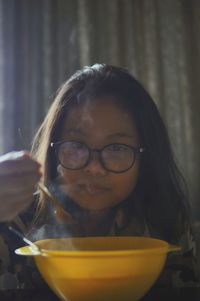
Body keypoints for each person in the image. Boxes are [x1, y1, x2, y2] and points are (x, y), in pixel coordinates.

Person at [0, 64, 198, 289]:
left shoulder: (163, 217)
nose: (94, 168)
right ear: (54, 152)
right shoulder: (15, 217)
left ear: (146, 158)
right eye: (77, 145)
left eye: (116, 148)